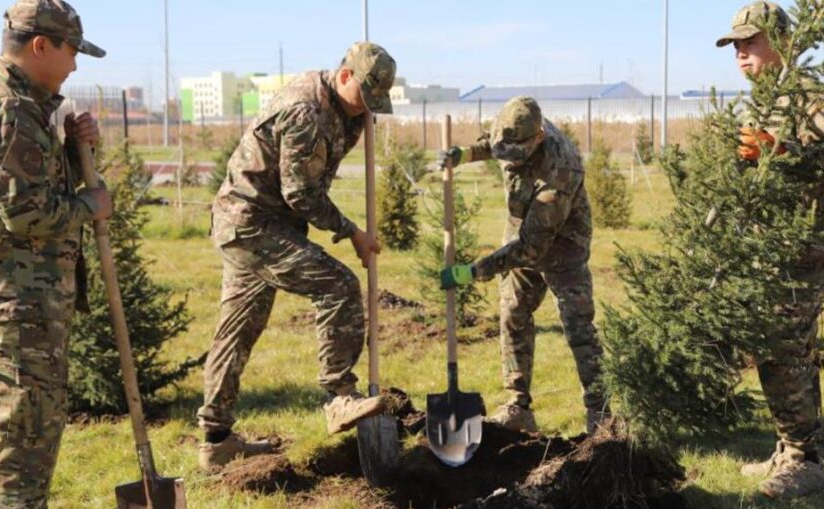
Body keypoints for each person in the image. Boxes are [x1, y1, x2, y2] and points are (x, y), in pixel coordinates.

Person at [0, 1, 111, 509]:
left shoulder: (28, 107)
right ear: (41, 46)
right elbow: (27, 213)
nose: (74, 66)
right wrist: (91, 203)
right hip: (9, 296)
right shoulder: (3, 109)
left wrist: (72, 147)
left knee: (39, 414)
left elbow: (32, 183)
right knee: (20, 421)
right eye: (70, 52)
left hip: (34, 294)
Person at [198, 42, 397, 472]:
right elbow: (300, 193)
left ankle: (216, 441)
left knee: (237, 330)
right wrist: (352, 233)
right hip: (252, 222)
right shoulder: (305, 110)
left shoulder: (346, 109)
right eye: (366, 98)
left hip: (258, 221)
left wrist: (361, 117)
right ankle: (339, 396)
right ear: (345, 76)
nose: (369, 110)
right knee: (338, 285)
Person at [716, 0, 824, 499]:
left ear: (779, 42)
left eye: (750, 42)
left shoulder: (809, 93)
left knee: (779, 344)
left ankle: (804, 460)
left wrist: (779, 149)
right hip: (775, 240)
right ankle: (789, 447)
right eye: (735, 46)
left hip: (810, 239)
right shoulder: (763, 99)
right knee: (792, 346)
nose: (740, 54)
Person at [438, 96, 610, 434]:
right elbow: (492, 143)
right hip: (521, 228)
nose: (510, 161)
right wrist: (465, 155)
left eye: (518, 154)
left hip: (562, 246)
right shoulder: (508, 128)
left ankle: (601, 414)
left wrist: (474, 271)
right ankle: (518, 407)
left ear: (538, 138)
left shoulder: (560, 172)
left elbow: (531, 249)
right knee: (512, 314)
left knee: (578, 326)